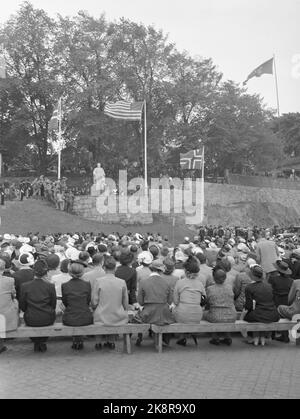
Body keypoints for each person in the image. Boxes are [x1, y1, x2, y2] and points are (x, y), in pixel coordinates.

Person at [133, 260, 174, 347]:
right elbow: (170, 301)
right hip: (164, 314)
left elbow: (140, 301)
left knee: (136, 317)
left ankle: (139, 338)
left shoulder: (143, 282)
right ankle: (164, 341)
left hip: (148, 314)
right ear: (161, 270)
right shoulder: (167, 282)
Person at [19, 260, 56, 353]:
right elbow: (53, 305)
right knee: (46, 317)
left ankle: (37, 341)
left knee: (34, 320)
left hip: (31, 317)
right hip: (47, 317)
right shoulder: (50, 286)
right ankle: (41, 341)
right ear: (46, 272)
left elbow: (22, 305)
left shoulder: (25, 286)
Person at [92, 256, 128, 350]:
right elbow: (125, 303)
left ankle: (98, 343)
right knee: (113, 313)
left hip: (101, 317)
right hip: (118, 316)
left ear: (104, 268)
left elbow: (94, 302)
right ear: (115, 268)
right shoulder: (122, 282)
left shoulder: (98, 281)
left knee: (99, 314)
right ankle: (111, 342)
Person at [173, 256, 206, 346]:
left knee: (176, 309)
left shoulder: (180, 282)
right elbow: (204, 300)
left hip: (183, 313)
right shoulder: (200, 284)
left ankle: (182, 337)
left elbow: (175, 301)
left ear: (186, 271)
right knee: (184, 310)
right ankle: (187, 335)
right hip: (197, 315)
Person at [244, 265, 280, 346]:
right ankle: (262, 338)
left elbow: (248, 306)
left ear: (253, 276)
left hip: (258, 314)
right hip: (272, 314)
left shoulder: (249, 287)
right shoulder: (269, 286)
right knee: (259, 314)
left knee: (253, 315)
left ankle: (256, 338)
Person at [62, 260, 93, 350]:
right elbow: (87, 301)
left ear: (70, 272)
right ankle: (78, 340)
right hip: (85, 317)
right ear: (82, 272)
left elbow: (65, 302)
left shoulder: (65, 285)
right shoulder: (87, 285)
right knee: (79, 312)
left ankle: (76, 340)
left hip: (70, 318)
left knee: (73, 313)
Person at [204, 268, 237, 346]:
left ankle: (215, 338)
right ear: (225, 278)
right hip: (231, 316)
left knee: (207, 313)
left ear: (214, 278)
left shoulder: (210, 289)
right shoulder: (230, 287)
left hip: (215, 317)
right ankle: (228, 337)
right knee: (223, 315)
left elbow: (207, 303)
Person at [0, 259, 19, 354]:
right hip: (5, 314)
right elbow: (13, 295)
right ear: (4, 269)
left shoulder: (10, 280)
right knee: (14, 302)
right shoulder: (10, 280)